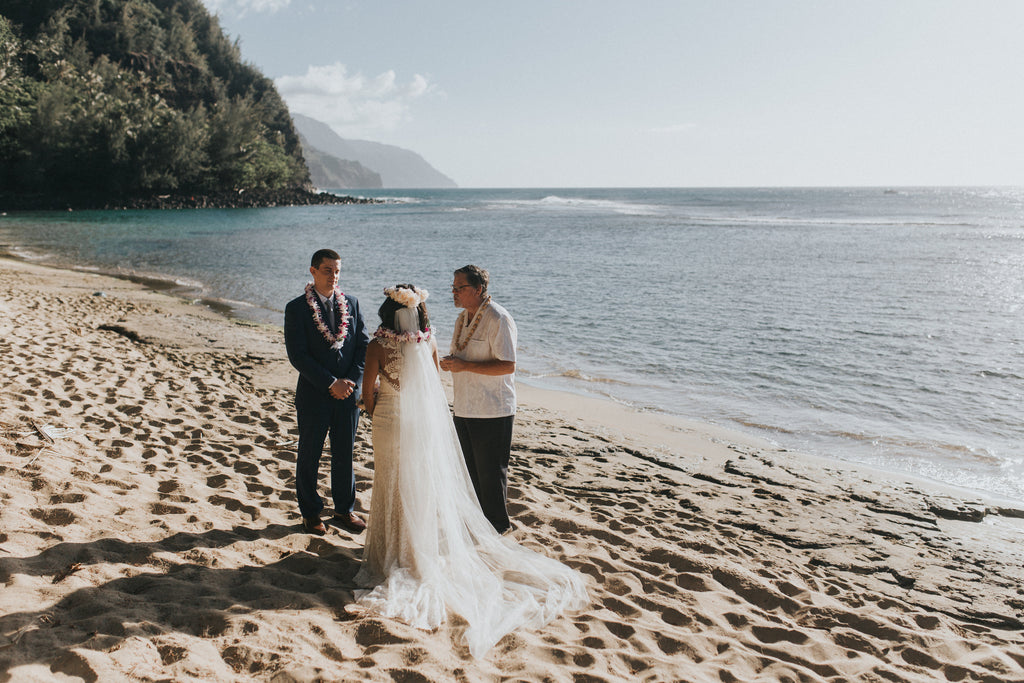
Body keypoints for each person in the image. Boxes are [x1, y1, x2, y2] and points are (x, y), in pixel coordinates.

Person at [354, 285, 587, 657]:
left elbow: (368, 394)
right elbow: (432, 388)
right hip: (421, 424)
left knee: (390, 482)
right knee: (419, 485)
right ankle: (414, 553)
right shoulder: (426, 342)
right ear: (419, 313)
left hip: (388, 420)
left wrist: (373, 406)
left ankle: (386, 554)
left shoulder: (377, 347)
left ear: (387, 311)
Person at [284, 249, 370, 535]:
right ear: (313, 271)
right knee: (310, 453)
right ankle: (310, 513)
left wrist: (351, 382)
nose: (333, 276)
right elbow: (298, 355)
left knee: (345, 454)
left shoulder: (353, 304)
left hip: (348, 395)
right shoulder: (296, 308)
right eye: (327, 270)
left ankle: (344, 510)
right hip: (314, 394)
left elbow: (363, 347)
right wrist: (330, 382)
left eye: (337, 270)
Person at [439, 265, 517, 533]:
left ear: (478, 289)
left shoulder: (498, 318)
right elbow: (462, 355)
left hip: (492, 409)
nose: (454, 292)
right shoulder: (462, 319)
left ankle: (499, 529)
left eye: (459, 287)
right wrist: (451, 364)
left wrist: (464, 366)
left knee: (491, 476)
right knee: (469, 474)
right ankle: (477, 527)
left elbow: (508, 365)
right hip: (464, 406)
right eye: (453, 287)